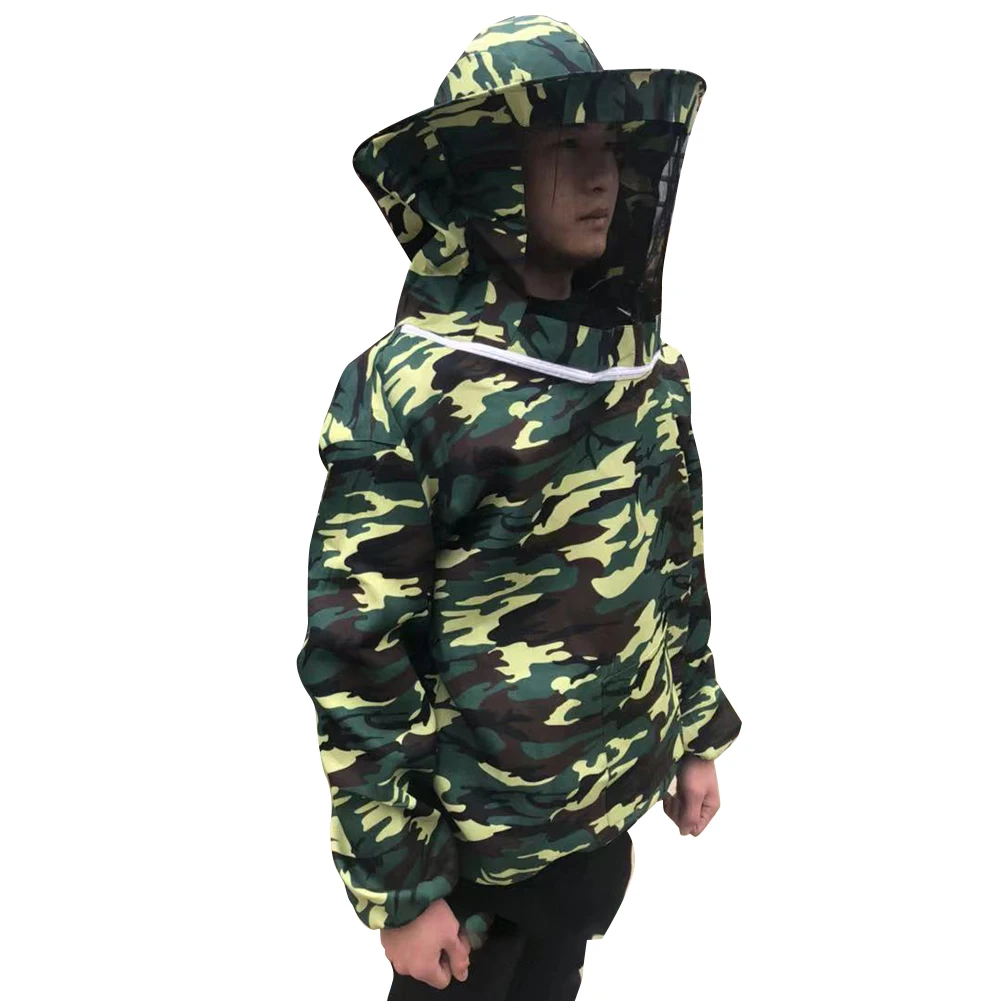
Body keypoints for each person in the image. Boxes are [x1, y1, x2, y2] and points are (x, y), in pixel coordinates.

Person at [295, 13, 742, 999]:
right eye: (563, 147)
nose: (601, 177)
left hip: (597, 820)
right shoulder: (407, 390)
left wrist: (695, 734)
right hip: (470, 860)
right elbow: (358, 651)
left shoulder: (646, 371)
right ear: (489, 169)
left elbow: (675, 562)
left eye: (608, 147)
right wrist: (400, 885)